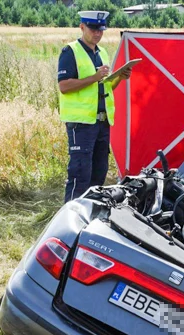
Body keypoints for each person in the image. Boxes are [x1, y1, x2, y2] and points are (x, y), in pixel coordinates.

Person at [58, 11, 132, 202]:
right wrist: (94, 77)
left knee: (99, 173)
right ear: (82, 27)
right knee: (80, 174)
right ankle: (70, 218)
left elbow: (104, 87)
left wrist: (119, 78)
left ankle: (91, 214)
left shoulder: (102, 53)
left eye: (101, 29)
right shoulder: (70, 51)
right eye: (93, 29)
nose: (97, 34)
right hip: (81, 123)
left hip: (101, 121)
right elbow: (64, 86)